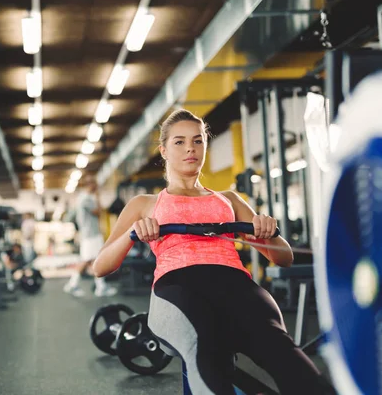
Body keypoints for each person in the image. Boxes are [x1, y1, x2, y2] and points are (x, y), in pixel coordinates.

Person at [92, 110, 335, 394]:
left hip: (236, 287)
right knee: (206, 344)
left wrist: (270, 231)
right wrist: (134, 232)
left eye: (198, 141)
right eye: (180, 142)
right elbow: (101, 266)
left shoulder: (229, 200)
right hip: (178, 289)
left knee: (279, 348)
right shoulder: (144, 203)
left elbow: (284, 258)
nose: (190, 149)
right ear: (164, 150)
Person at [63, 176, 117, 297]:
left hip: (90, 234)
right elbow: (98, 212)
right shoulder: (86, 199)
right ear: (90, 184)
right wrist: (97, 196)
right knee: (90, 260)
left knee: (93, 260)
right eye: (95, 185)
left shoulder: (84, 198)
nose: (96, 187)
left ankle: (99, 286)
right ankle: (73, 284)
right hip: (91, 235)